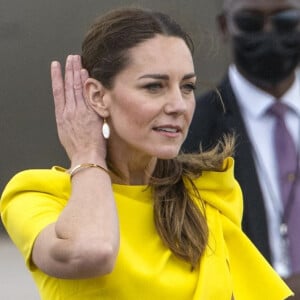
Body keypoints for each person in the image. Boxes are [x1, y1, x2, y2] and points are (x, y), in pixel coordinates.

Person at [0, 7, 293, 300]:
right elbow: (93, 251)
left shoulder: (207, 190)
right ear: (97, 96)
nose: (178, 104)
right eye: (154, 86)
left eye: (187, 87)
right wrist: (87, 153)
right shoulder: (36, 194)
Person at [182, 0, 300, 297]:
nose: (269, 32)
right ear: (225, 26)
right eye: (250, 22)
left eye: (285, 20)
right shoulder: (190, 128)